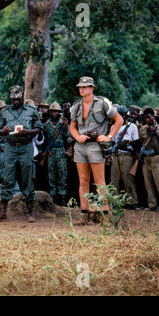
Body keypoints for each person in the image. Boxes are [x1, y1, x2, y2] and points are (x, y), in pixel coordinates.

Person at [69, 77, 123, 225]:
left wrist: (109, 137)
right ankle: (84, 214)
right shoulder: (77, 106)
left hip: (95, 146)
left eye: (85, 87)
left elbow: (119, 120)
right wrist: (77, 136)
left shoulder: (102, 103)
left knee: (100, 182)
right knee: (83, 180)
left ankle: (105, 215)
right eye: (80, 87)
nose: (82, 89)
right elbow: (72, 126)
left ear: (92, 88)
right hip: (80, 146)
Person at [0, 85, 43, 223]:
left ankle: (30, 211)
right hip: (10, 147)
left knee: (26, 177)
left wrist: (27, 132)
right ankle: (2, 211)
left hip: (26, 147)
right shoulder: (5, 112)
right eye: (13, 99)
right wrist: (4, 130)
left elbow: (39, 128)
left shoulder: (31, 111)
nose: (16, 102)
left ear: (23, 97)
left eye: (18, 99)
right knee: (7, 177)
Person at [110, 106, 142, 210]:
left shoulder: (132, 126)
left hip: (127, 154)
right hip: (116, 154)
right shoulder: (113, 127)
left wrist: (127, 142)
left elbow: (137, 142)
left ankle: (133, 202)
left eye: (123, 114)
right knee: (114, 179)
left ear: (126, 115)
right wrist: (114, 148)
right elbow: (111, 140)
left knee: (129, 179)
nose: (121, 116)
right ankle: (114, 202)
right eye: (119, 114)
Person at [40, 102, 70, 206]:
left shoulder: (63, 124)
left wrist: (66, 127)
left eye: (56, 111)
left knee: (62, 174)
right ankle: (52, 197)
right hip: (50, 151)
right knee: (51, 174)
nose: (54, 113)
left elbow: (68, 137)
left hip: (61, 150)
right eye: (52, 111)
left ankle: (62, 198)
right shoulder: (46, 125)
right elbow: (42, 140)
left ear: (59, 113)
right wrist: (45, 149)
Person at [138, 108, 158, 212]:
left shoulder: (158, 127)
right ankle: (152, 205)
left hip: (156, 158)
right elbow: (142, 141)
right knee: (148, 183)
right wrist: (148, 130)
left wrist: (155, 132)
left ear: (153, 116)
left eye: (149, 117)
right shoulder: (143, 128)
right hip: (146, 158)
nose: (147, 119)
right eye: (145, 118)